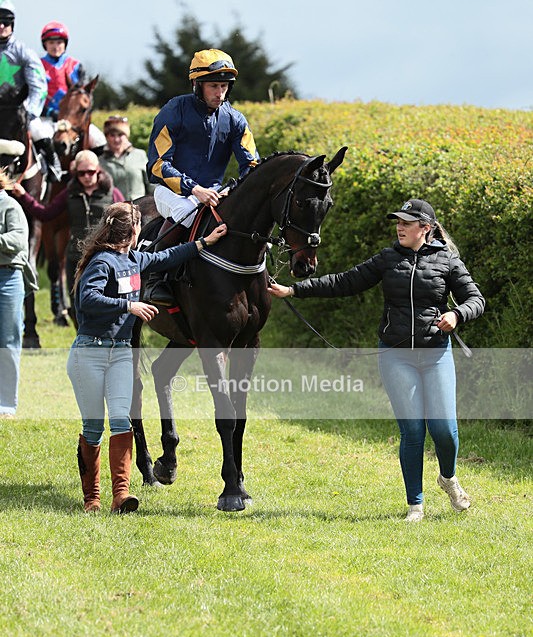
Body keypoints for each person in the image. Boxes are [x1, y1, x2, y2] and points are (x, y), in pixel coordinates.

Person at [268, 198, 485, 523]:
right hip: (395, 355)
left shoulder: (447, 261)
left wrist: (457, 313)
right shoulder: (388, 259)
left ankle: (448, 478)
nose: (399, 227)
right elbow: (345, 281)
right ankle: (416, 505)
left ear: (425, 228)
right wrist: (295, 291)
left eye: (407, 223)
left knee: (444, 430)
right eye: (397, 221)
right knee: (412, 431)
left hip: (436, 354)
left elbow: (476, 299)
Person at [66, 201, 227, 513]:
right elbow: (88, 299)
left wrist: (204, 243)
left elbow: (166, 256)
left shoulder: (133, 259)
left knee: (121, 420)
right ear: (134, 230)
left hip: (122, 353)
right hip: (90, 352)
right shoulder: (102, 262)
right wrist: (129, 306)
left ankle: (121, 496)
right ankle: (92, 499)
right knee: (94, 427)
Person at [144, 48, 260, 305]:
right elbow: (157, 164)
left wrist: (237, 189)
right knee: (188, 212)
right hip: (171, 192)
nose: (220, 93)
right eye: (214, 86)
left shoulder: (235, 119)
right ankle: (156, 277)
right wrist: (193, 188)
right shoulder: (174, 110)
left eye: (224, 86)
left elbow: (252, 164)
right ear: (197, 85)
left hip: (214, 193)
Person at [12, 150, 124, 311]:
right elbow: (45, 214)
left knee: (107, 305)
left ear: (98, 170)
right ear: (75, 173)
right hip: (76, 258)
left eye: (91, 172)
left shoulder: (112, 193)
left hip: (107, 258)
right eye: (82, 173)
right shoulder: (69, 193)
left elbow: (126, 221)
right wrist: (24, 196)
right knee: (78, 306)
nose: (87, 176)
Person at [0, 0, 63, 181]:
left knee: (39, 132)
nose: (1, 26)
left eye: (6, 22)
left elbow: (38, 86)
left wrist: (29, 111)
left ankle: (54, 167)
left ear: (12, 24)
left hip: (19, 111)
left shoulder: (24, 52)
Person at [0, 167, 37, 415]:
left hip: (7, 276)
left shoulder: (9, 205)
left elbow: (18, 241)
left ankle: (6, 404)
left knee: (8, 341)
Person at [40, 20, 106, 156]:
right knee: (43, 139)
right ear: (45, 44)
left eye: (59, 42)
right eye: (51, 43)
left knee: (99, 141)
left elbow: (83, 96)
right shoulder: (38, 65)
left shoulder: (76, 65)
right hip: (48, 117)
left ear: (65, 44)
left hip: (73, 120)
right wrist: (51, 113)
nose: (55, 46)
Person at [99, 115, 153, 201]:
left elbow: (151, 185)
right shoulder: (100, 161)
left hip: (140, 209)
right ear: (106, 137)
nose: (116, 139)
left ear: (127, 136)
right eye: (112, 135)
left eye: (120, 135)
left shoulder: (139, 155)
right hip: (114, 210)